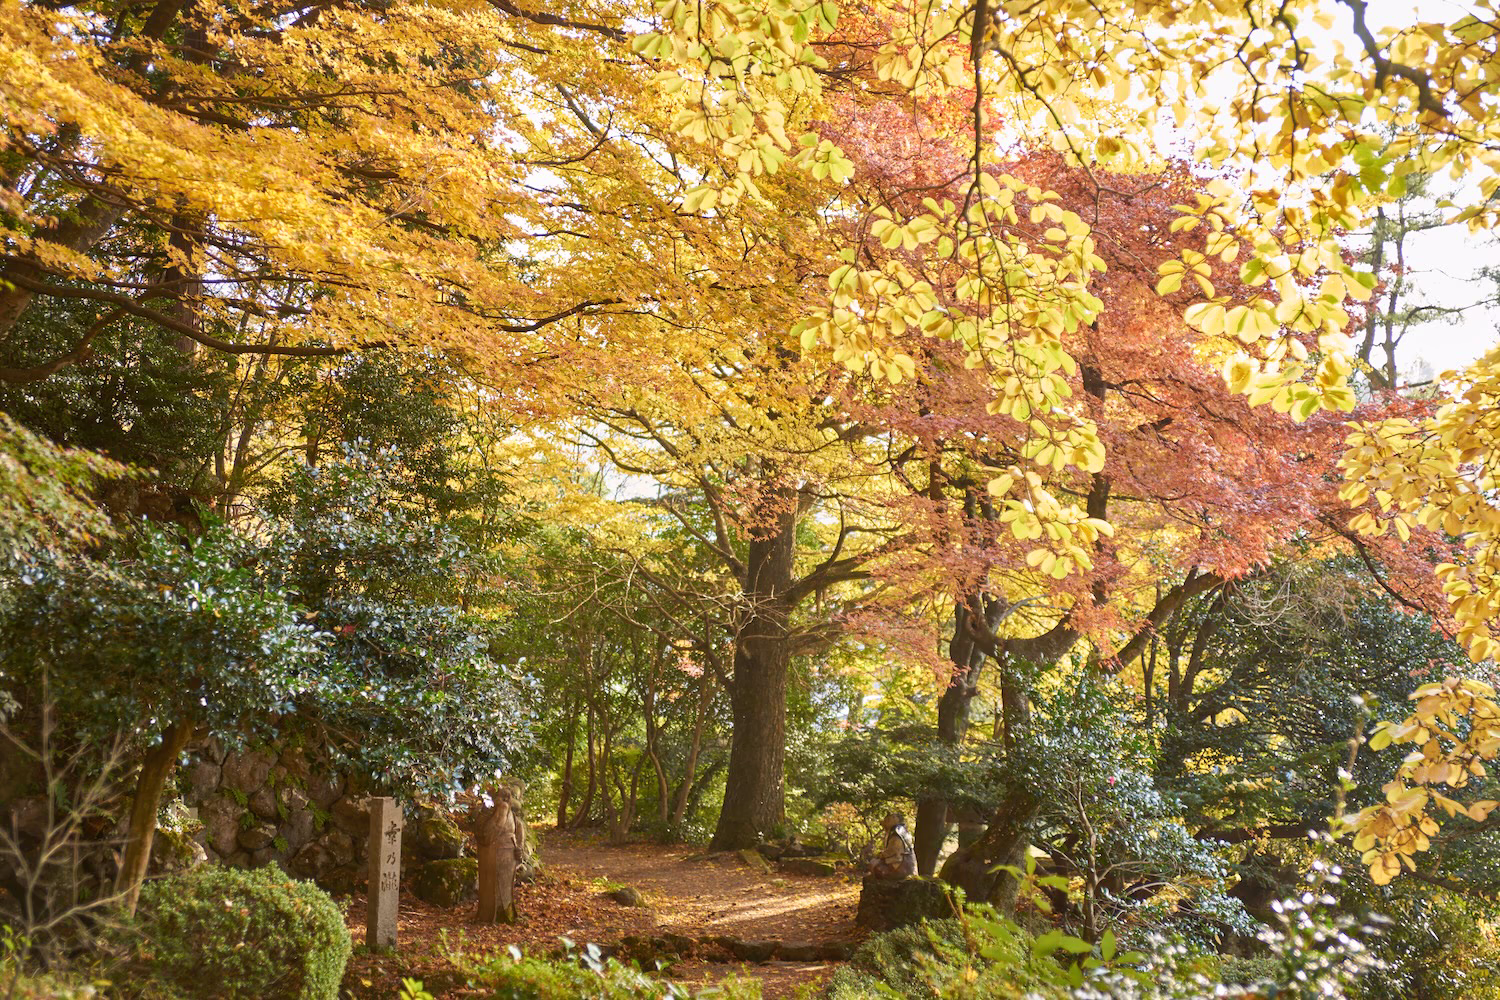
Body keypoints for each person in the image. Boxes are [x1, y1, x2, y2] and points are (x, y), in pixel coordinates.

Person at [869, 811, 917, 879]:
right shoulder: (902, 831)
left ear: (895, 819)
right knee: (875, 863)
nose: (885, 823)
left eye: (888, 820)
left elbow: (893, 851)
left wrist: (882, 855)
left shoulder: (897, 834)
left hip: (901, 865)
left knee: (875, 865)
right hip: (904, 863)